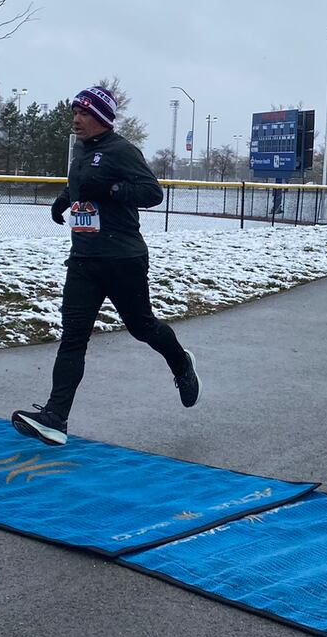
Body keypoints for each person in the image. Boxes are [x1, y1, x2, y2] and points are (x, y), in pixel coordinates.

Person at [12, 87, 200, 446]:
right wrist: (63, 201)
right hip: (84, 260)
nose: (76, 119)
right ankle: (55, 418)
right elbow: (81, 186)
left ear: (101, 117)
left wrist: (113, 190)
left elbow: (152, 193)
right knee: (72, 338)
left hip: (122, 259)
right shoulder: (81, 150)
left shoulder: (122, 150)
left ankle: (181, 364)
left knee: (142, 327)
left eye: (83, 113)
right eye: (75, 112)